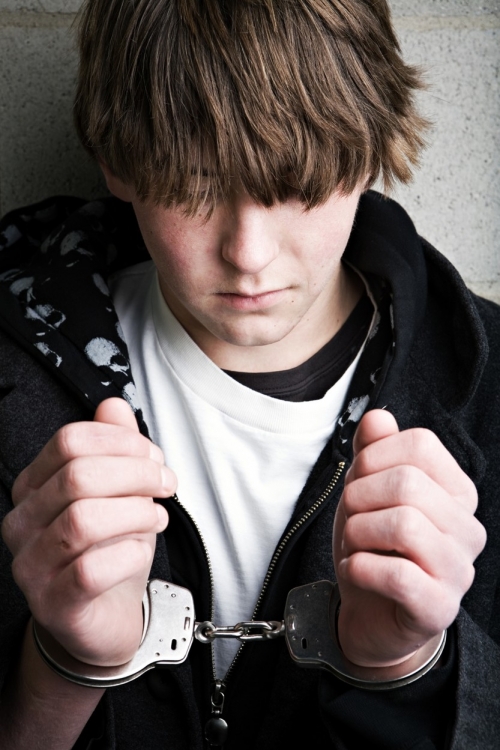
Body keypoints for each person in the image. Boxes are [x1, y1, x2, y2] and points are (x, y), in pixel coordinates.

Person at [0, 0, 497, 748]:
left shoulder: (491, 384)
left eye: (296, 183)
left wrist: (408, 669)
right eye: (196, 184)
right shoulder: (13, 374)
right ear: (118, 162)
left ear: (367, 150)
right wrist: (64, 665)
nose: (249, 254)